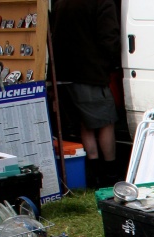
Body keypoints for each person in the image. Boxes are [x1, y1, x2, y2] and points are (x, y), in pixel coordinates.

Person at [51, 0, 121, 187]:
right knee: (106, 122)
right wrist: (111, 62)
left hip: (64, 72)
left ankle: (94, 172)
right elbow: (109, 38)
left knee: (86, 124)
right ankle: (111, 173)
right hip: (90, 72)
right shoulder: (102, 2)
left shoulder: (60, 2)